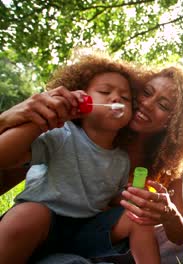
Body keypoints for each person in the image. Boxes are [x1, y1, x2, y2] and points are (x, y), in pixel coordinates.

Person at [0, 65, 183, 264]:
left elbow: (179, 234)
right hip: (45, 232)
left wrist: (168, 212)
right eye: (145, 93)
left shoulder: (157, 161)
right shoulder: (70, 135)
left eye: (163, 106)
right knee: (32, 216)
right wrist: (25, 120)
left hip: (97, 236)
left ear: (174, 123)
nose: (146, 104)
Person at [0, 54, 161, 263]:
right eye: (105, 91)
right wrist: (40, 122)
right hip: (40, 227)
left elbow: (110, 196)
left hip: (84, 232)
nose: (116, 99)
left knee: (139, 217)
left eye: (125, 98)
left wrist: (132, 198)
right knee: (29, 214)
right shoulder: (61, 134)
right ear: (81, 99)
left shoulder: (121, 159)